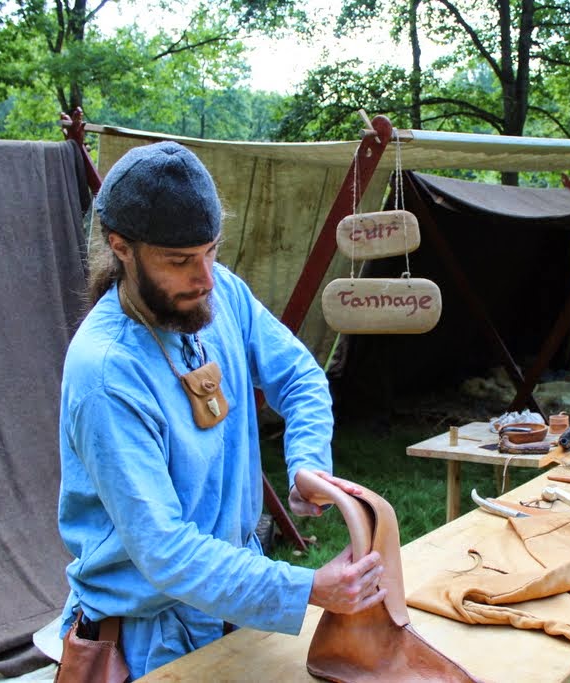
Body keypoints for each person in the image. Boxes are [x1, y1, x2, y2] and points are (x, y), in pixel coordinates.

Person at [56, 141, 386, 678]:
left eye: (211, 251)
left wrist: (306, 462)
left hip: (235, 609)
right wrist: (307, 589)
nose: (205, 278)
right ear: (120, 246)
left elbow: (301, 377)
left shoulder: (221, 294)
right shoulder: (107, 371)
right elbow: (164, 551)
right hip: (148, 642)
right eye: (180, 261)